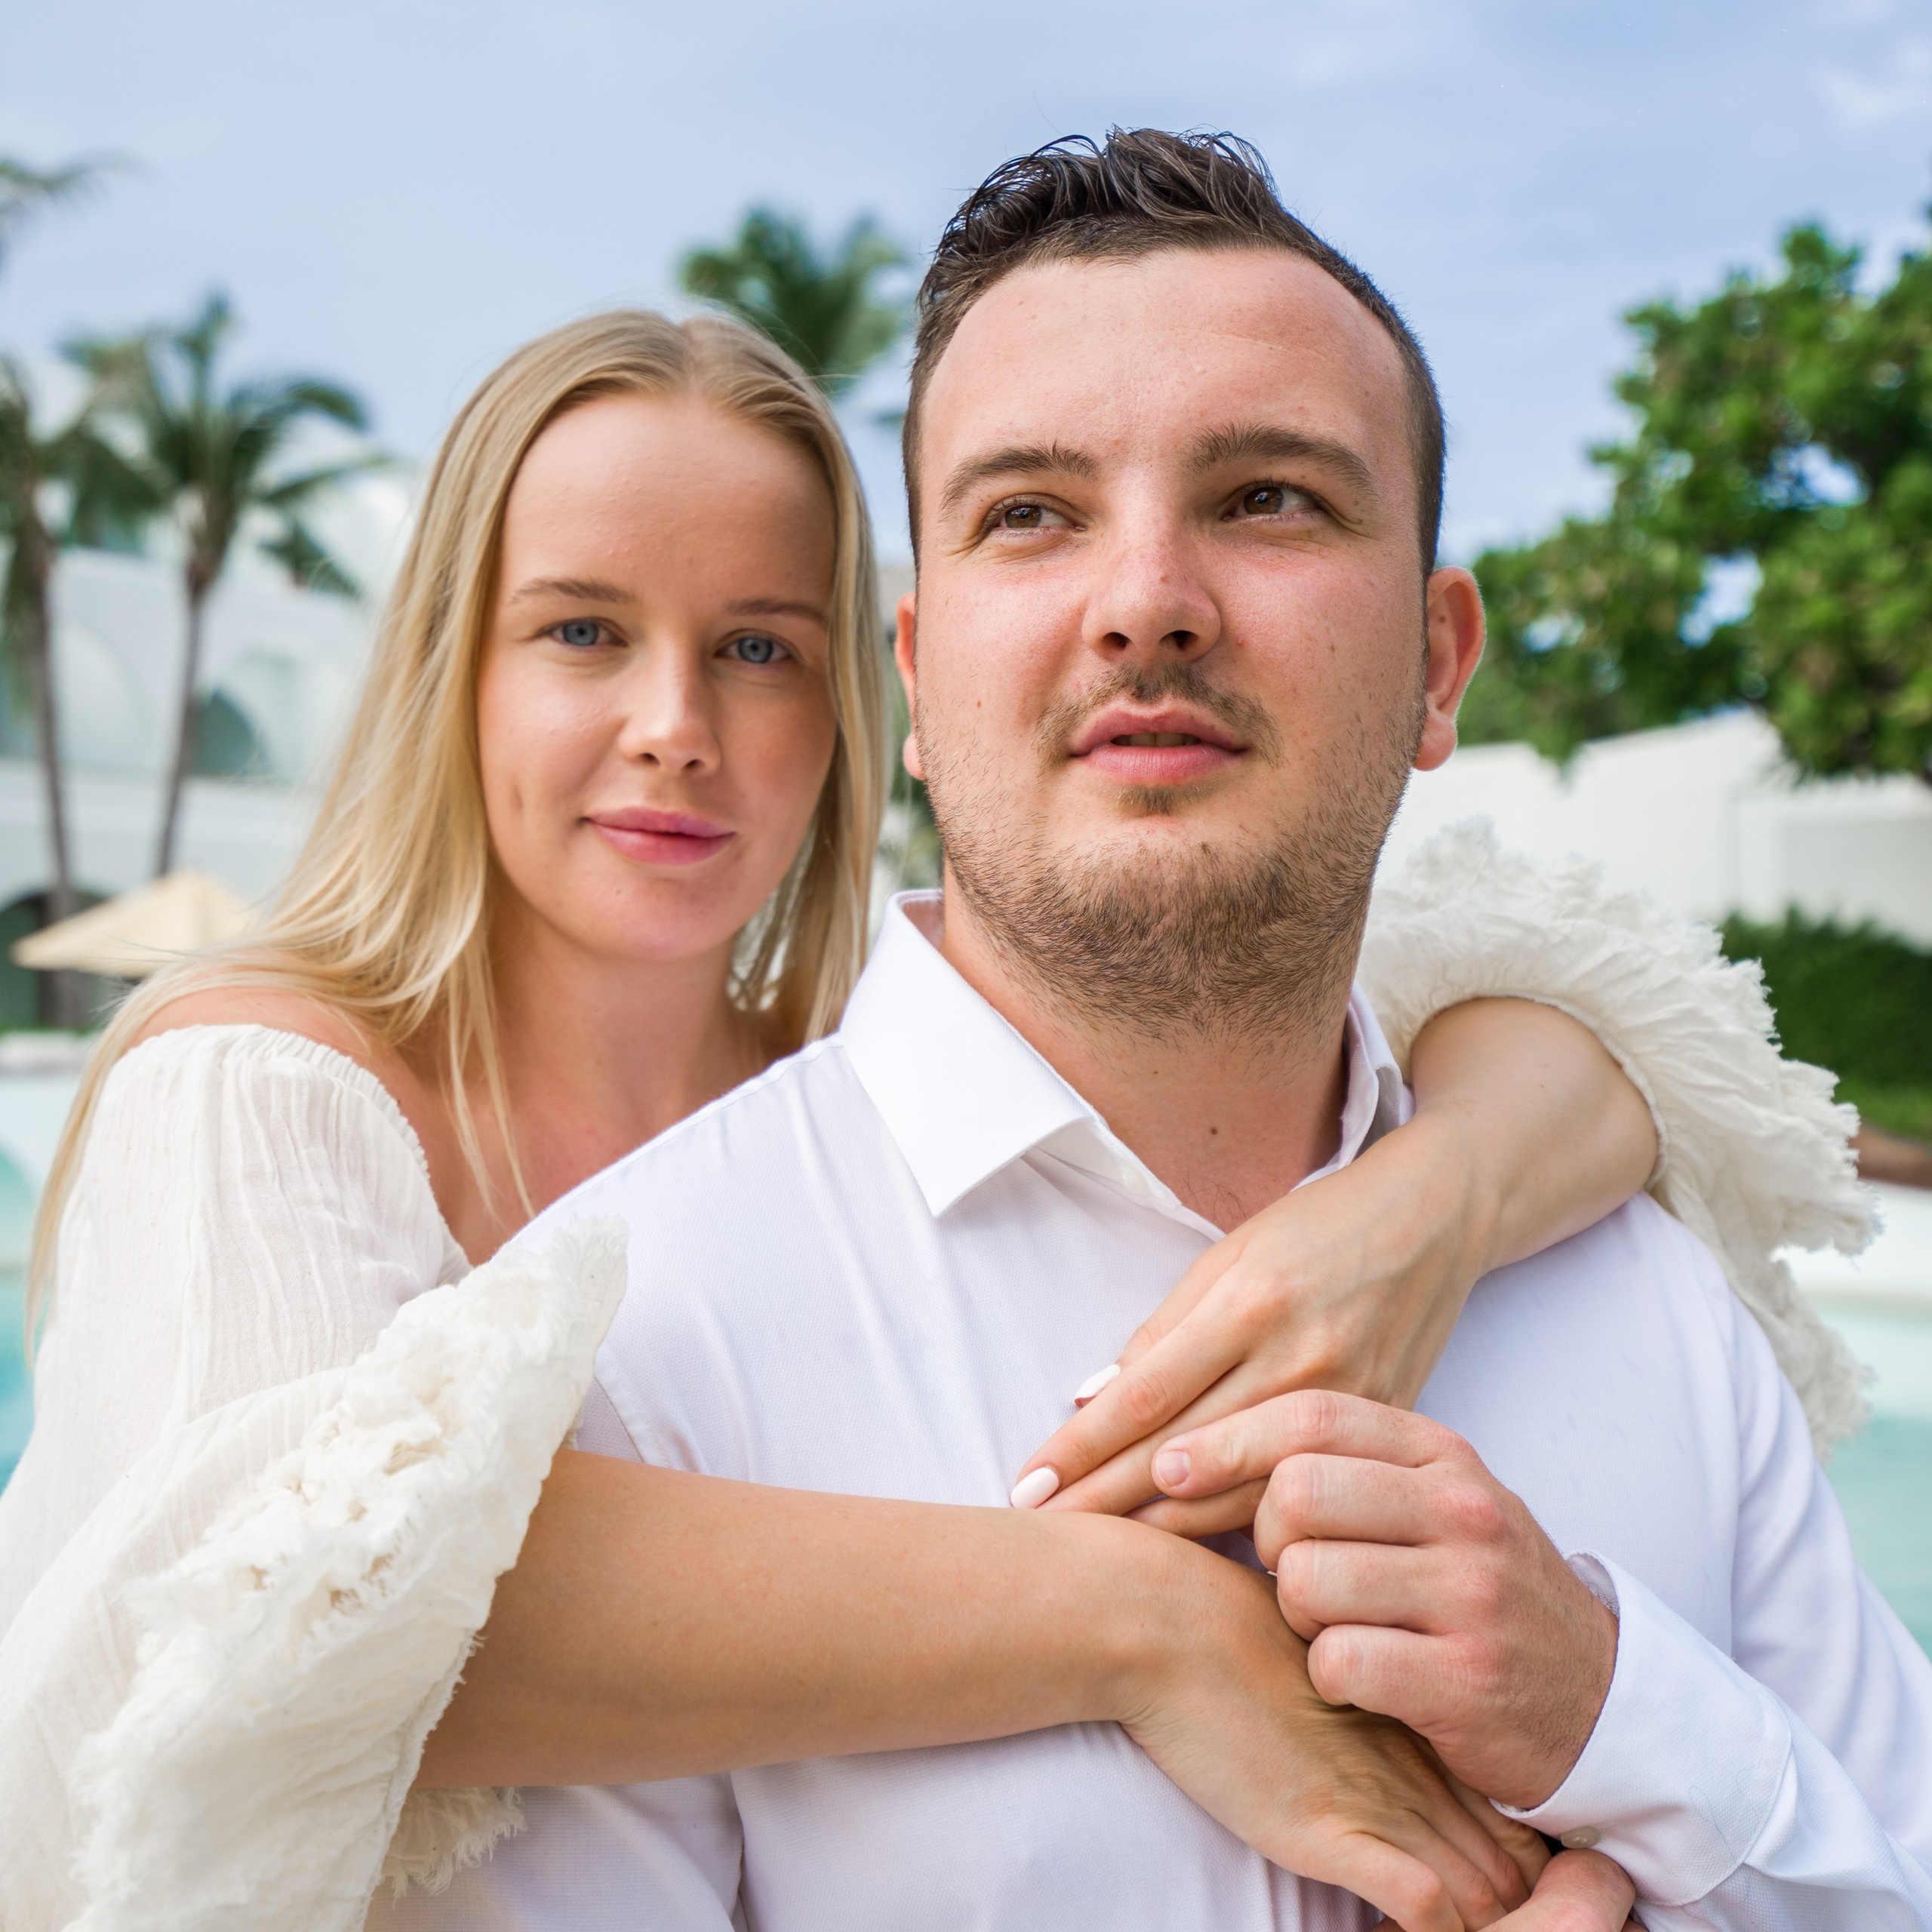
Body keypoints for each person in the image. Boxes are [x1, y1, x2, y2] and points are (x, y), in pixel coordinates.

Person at [0, 275, 1860, 1931]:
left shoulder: (887, 1062)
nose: (675, 720)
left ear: (856, 698)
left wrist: (1421, 1203)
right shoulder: (277, 1085)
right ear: (448, 672)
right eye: (577, 631)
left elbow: (1576, 1008)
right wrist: (1144, 1626)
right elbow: (248, 1614)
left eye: (757, 645)